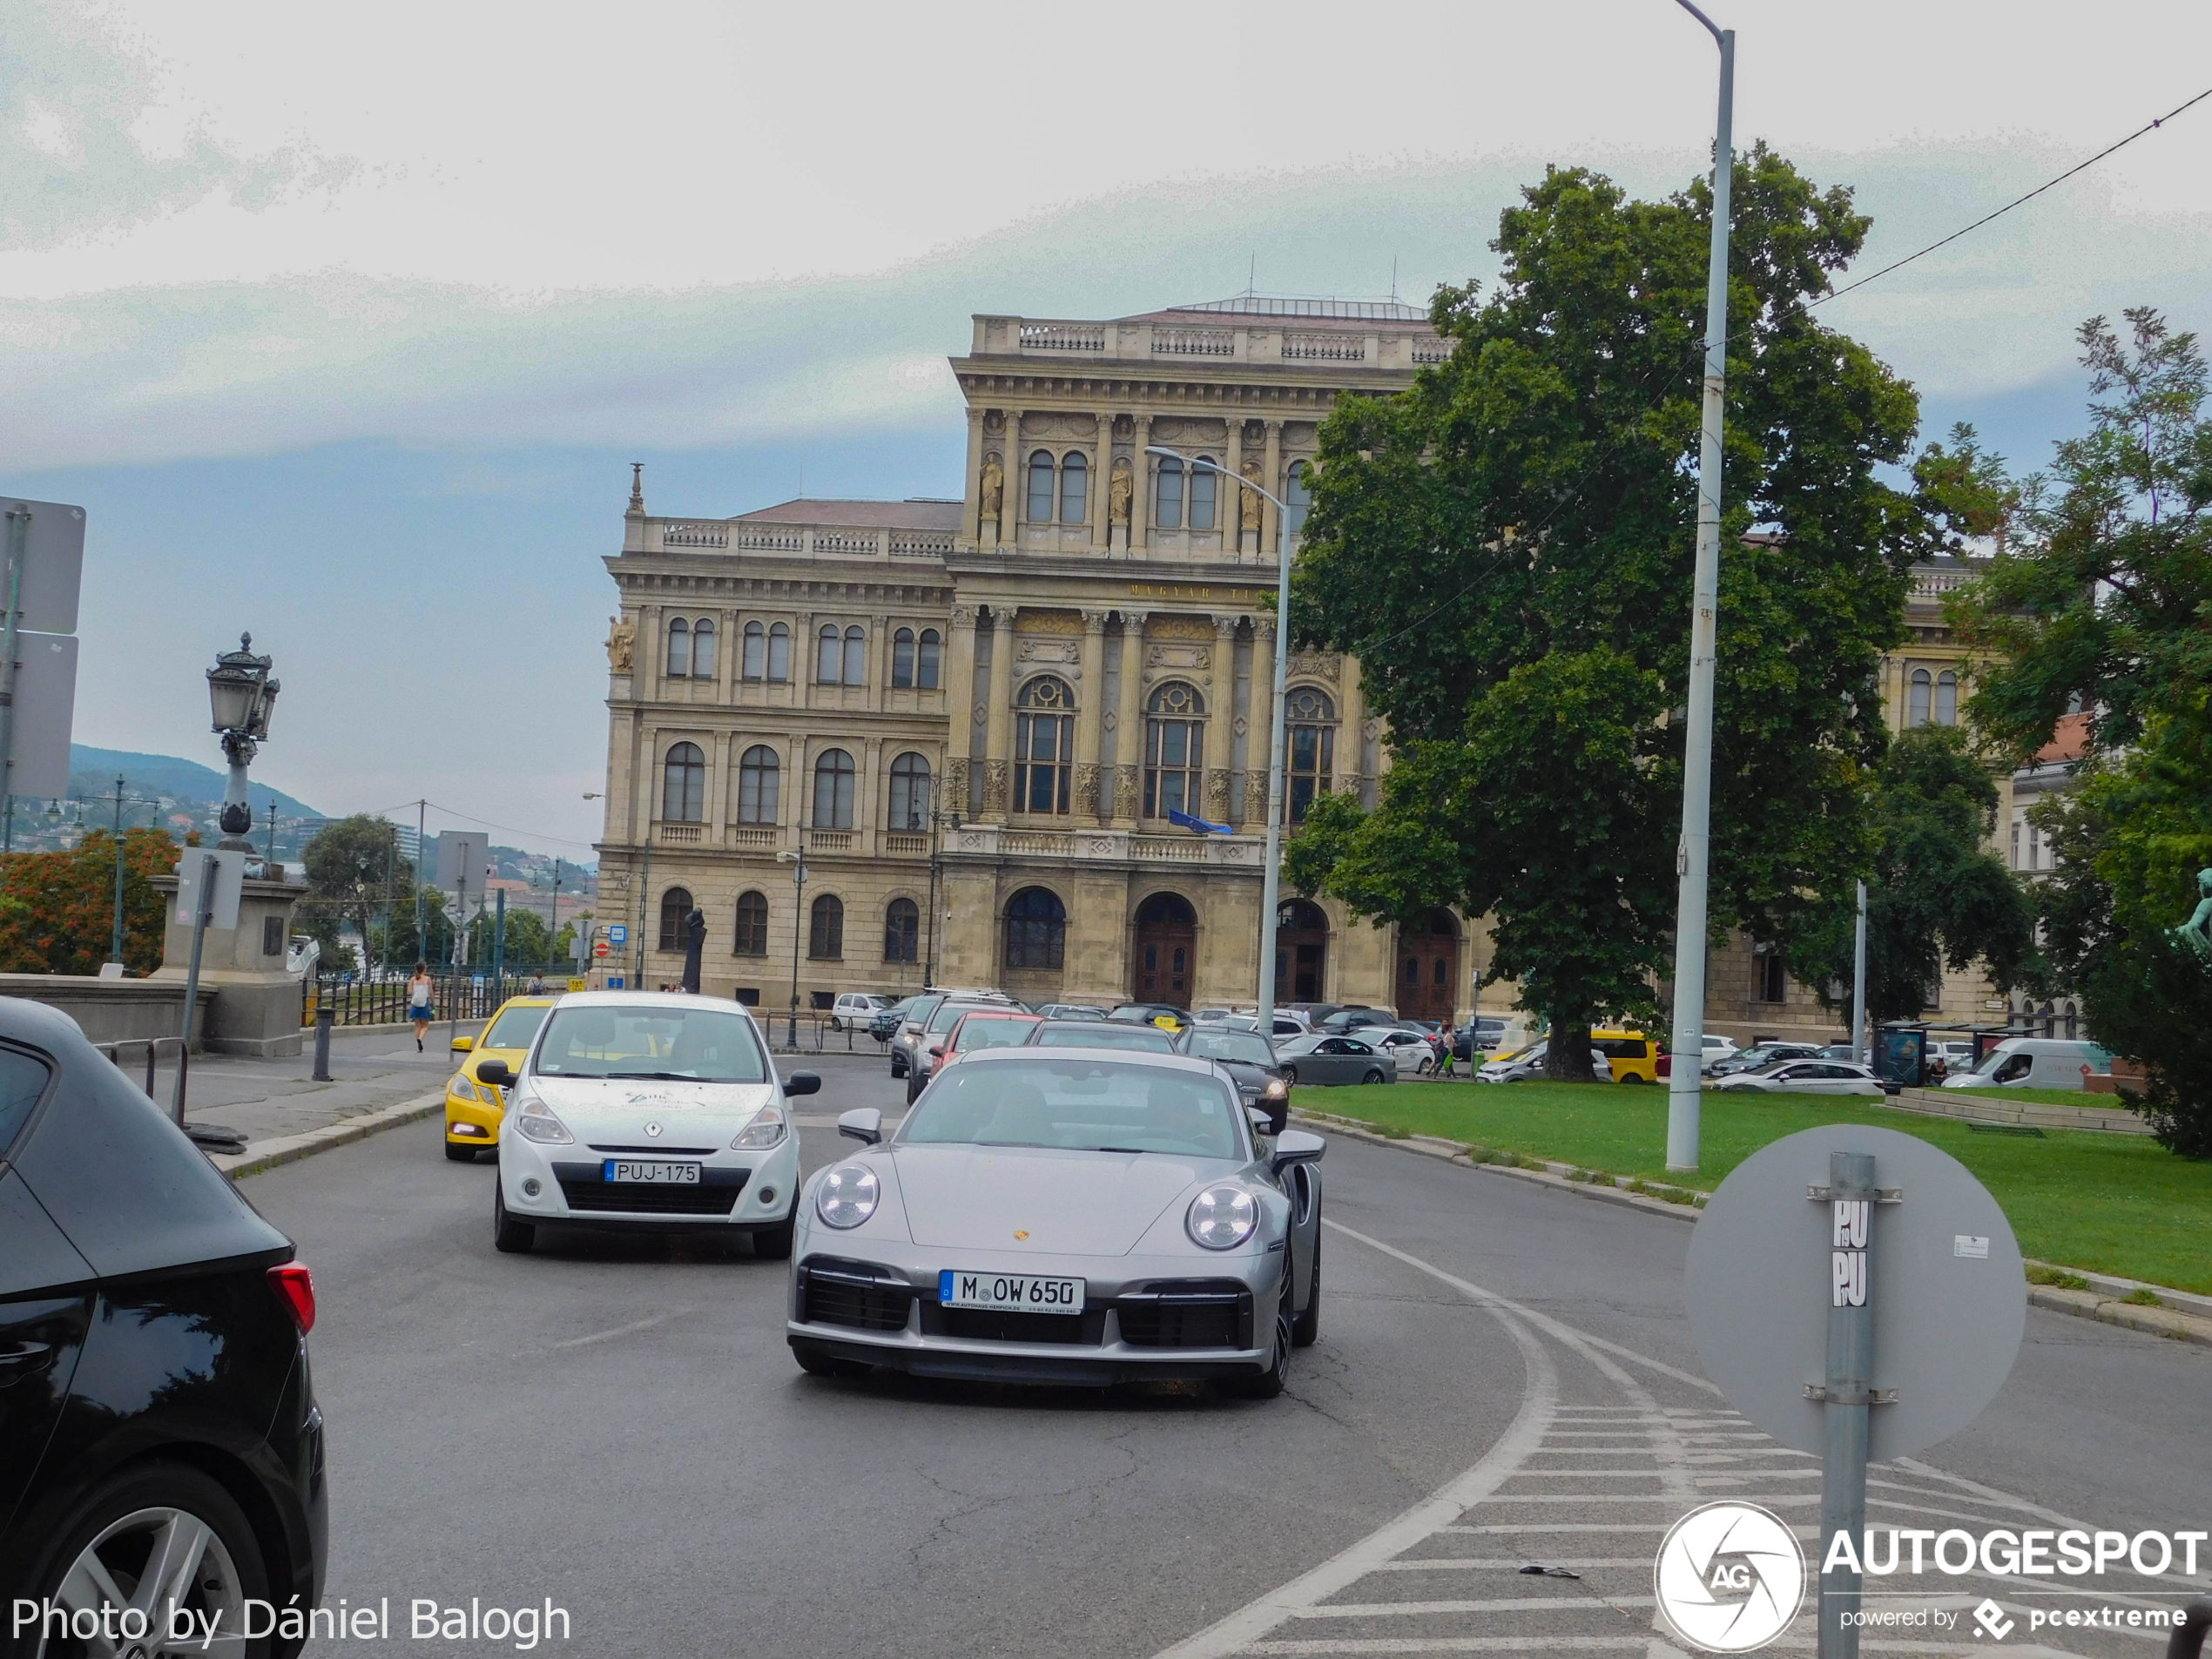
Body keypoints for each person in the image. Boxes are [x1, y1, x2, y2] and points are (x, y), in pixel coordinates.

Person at [406, 961, 434, 1052]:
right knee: (425, 1025)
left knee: (417, 1025)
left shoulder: (413, 979)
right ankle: (420, 1039)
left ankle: (418, 1044)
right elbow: (431, 992)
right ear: (424, 969)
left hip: (416, 1003)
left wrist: (416, 992)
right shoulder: (427, 979)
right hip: (424, 1003)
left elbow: (409, 992)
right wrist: (433, 1002)